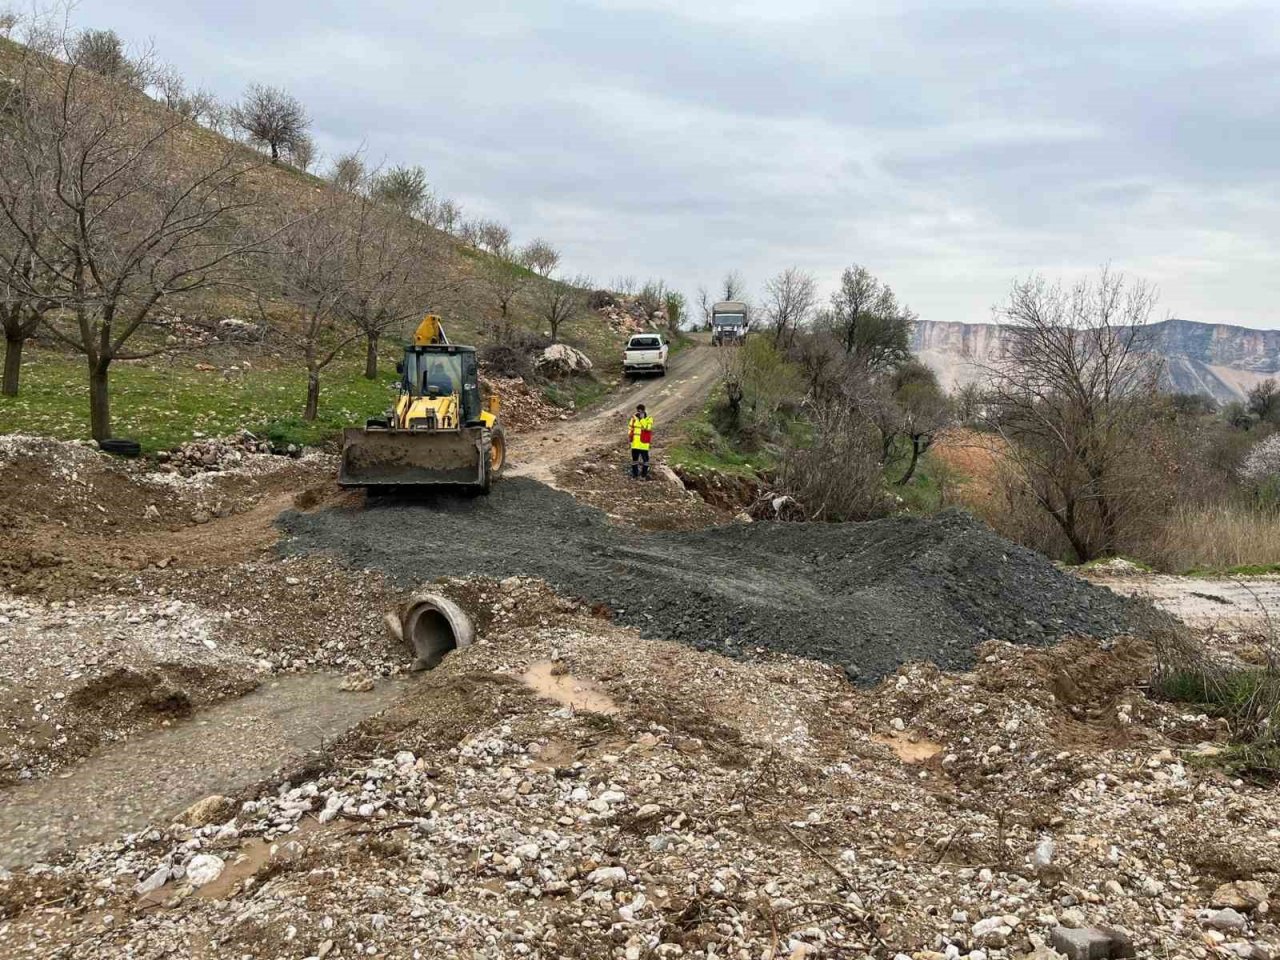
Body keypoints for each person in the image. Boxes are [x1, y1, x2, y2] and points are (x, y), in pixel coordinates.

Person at [628, 403, 653, 480]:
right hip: (635, 443)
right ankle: (635, 475)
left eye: (641, 411)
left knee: (646, 461)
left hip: (644, 443)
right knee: (635, 460)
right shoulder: (633, 418)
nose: (640, 412)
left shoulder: (649, 418)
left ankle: (643, 475)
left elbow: (647, 428)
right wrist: (630, 438)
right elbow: (630, 428)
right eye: (639, 411)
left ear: (644, 411)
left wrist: (642, 419)